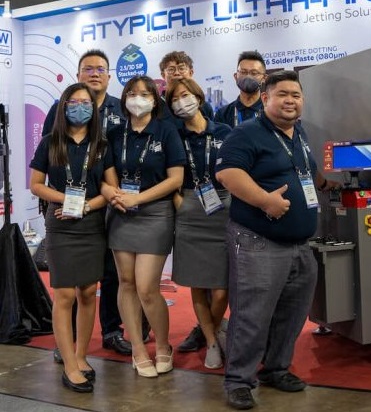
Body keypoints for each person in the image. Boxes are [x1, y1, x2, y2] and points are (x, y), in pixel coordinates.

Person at [216, 70, 338, 410]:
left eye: (296, 95)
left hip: (300, 244)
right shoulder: (246, 133)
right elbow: (227, 173)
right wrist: (264, 201)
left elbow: (305, 171)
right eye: (282, 94)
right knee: (251, 316)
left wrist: (329, 184)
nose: (290, 101)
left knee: (292, 314)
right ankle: (238, 380)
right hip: (258, 240)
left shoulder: (299, 132)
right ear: (265, 98)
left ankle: (276, 369)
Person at [42, 50, 132, 359]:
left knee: (107, 274)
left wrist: (110, 192)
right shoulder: (58, 109)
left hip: (108, 202)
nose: (94, 73)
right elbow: (49, 160)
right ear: (78, 74)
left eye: (100, 69)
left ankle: (111, 331)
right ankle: (66, 341)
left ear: (109, 75)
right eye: (88, 69)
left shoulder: (122, 109)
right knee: (69, 284)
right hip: (67, 209)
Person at [29, 83, 113, 393]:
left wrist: (87, 205)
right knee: (64, 295)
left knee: (88, 292)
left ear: (94, 108)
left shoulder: (101, 145)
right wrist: (66, 200)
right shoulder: (50, 142)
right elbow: (36, 184)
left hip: (91, 224)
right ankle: (68, 363)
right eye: (74, 102)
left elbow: (110, 188)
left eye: (86, 102)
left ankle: (80, 355)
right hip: (61, 223)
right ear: (64, 107)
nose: (80, 107)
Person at [101, 75, 185, 378]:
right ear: (124, 99)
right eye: (132, 93)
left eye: (145, 94)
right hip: (121, 213)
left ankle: (162, 345)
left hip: (156, 213)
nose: (138, 98)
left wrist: (138, 197)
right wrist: (114, 194)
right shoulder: (114, 133)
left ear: (154, 99)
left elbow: (175, 179)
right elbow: (106, 172)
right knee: (125, 282)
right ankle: (137, 348)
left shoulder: (166, 131)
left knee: (147, 288)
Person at [166, 77, 232, 369]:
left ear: (198, 96)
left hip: (224, 207)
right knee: (197, 283)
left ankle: (213, 329)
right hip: (190, 209)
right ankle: (213, 342)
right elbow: (167, 173)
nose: (182, 101)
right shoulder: (174, 136)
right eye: (175, 99)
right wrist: (179, 203)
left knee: (221, 288)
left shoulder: (224, 131)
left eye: (186, 95)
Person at [159, 51, 214, 123]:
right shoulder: (156, 108)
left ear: (191, 73)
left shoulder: (204, 106)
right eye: (171, 69)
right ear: (163, 75)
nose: (177, 73)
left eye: (181, 68)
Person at [215, 51, 267, 128]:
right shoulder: (222, 114)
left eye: (254, 73)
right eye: (243, 72)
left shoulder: (272, 112)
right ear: (235, 76)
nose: (248, 76)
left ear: (264, 78)